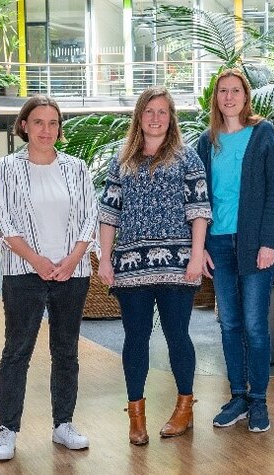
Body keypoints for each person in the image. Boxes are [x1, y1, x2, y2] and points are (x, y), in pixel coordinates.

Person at [97, 87, 211, 446]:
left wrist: (196, 255)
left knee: (178, 336)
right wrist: (104, 258)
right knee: (135, 339)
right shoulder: (122, 160)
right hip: (131, 269)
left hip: (177, 267)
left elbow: (199, 210)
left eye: (163, 112)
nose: (156, 118)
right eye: (150, 111)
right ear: (139, 117)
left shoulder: (187, 158)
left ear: (171, 118)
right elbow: (109, 213)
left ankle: (184, 407)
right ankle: (136, 414)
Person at [0, 95, 98, 461]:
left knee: (66, 352)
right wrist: (36, 260)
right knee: (17, 351)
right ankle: (7, 430)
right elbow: (4, 221)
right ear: (24, 126)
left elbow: (89, 218)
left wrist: (72, 260)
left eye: (53, 123)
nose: (46, 130)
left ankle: (63, 424)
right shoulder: (6, 168)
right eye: (38, 122)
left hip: (72, 272)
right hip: (24, 272)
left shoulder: (77, 168)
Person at [196, 69, 274, 433]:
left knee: (255, 326)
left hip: (253, 245)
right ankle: (237, 397)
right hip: (217, 242)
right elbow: (197, 200)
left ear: (246, 97)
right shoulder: (206, 140)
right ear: (215, 98)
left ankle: (259, 401)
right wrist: (198, 246)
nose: (229, 97)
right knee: (229, 324)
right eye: (223, 91)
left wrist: (268, 243)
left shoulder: (262, 134)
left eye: (235, 91)